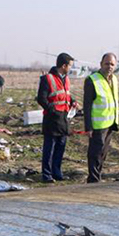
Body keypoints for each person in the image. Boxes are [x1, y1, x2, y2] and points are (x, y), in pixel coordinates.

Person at [36, 53, 77, 183]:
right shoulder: (47, 79)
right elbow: (41, 98)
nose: (71, 68)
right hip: (52, 120)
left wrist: (73, 101)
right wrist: (52, 110)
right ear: (64, 65)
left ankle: (57, 172)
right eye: (70, 65)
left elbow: (66, 95)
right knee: (50, 148)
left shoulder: (66, 79)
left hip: (64, 119)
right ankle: (47, 175)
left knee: (61, 147)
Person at [84, 53, 119, 183]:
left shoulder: (114, 79)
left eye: (112, 64)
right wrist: (88, 127)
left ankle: (97, 176)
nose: (109, 66)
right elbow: (87, 106)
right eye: (107, 63)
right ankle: (93, 180)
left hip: (110, 123)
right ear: (101, 64)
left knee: (103, 154)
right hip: (97, 125)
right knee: (95, 154)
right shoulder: (92, 80)